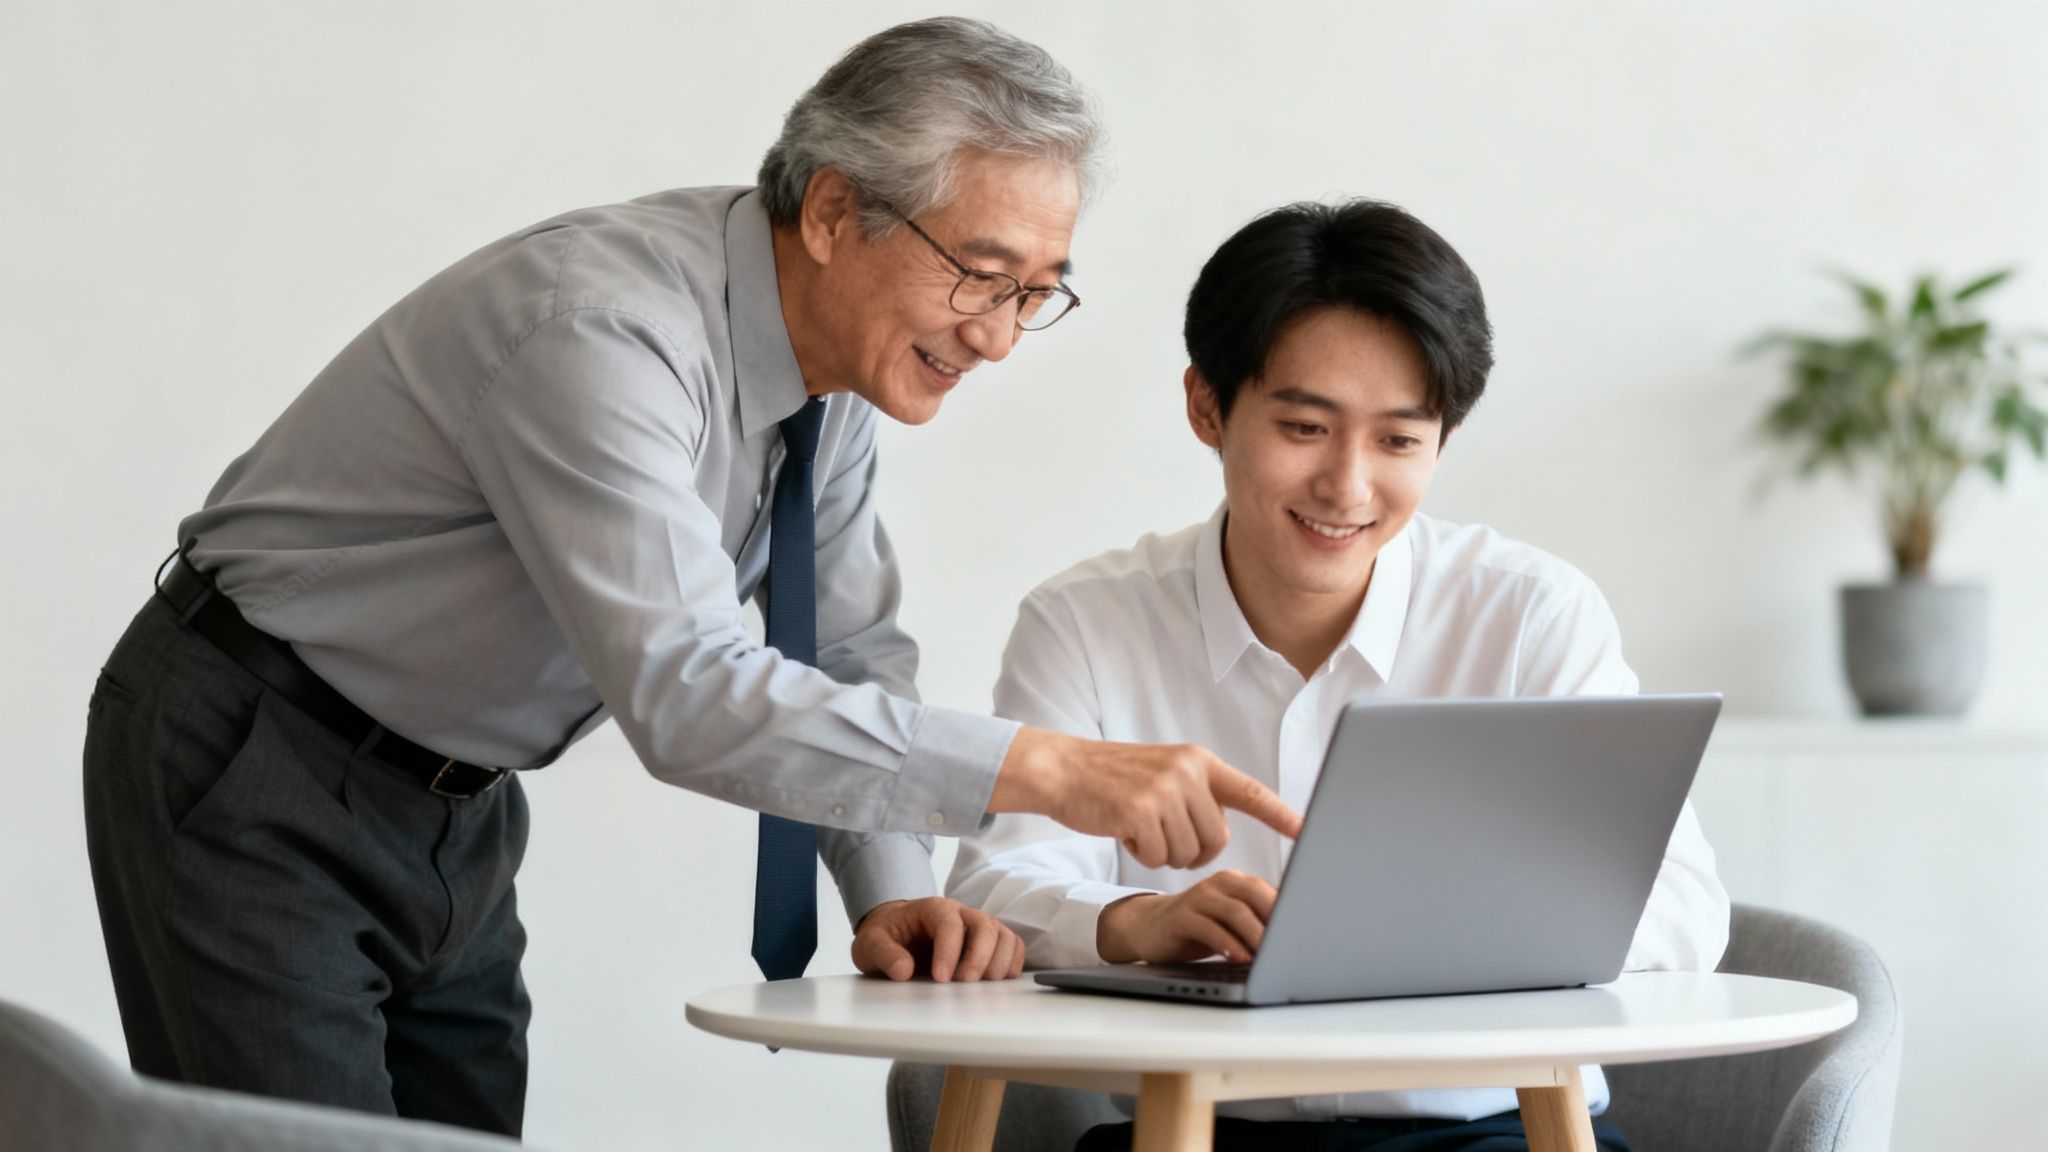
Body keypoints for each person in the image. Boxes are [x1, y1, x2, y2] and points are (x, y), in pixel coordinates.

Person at [82, 17, 1300, 1138]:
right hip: (261, 754)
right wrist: (1053, 770)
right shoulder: (602, 333)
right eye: (980, 274)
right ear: (832, 214)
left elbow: (835, 645)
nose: (994, 333)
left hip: (455, 804)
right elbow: (687, 691)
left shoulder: (840, 371)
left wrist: (886, 892)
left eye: (1035, 292)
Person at [947, 199, 1730, 1152]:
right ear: (1207, 406)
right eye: (1306, 428)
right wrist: (1138, 921)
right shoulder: (1086, 624)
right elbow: (995, 890)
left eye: (1400, 441)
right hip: (1195, 1131)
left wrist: (1433, 936)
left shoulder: (1530, 616)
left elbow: (1680, 906)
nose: (1349, 487)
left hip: (1486, 1136)